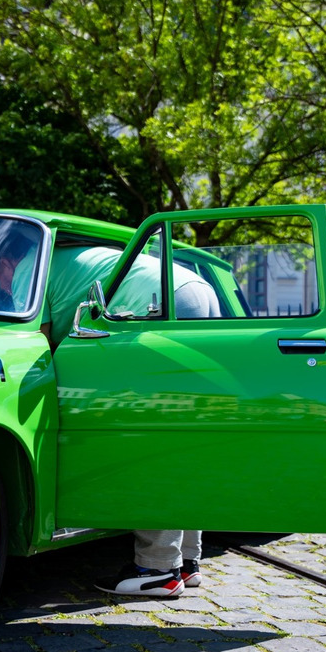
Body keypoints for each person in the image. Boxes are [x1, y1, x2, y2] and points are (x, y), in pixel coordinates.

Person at [91, 238, 219, 596]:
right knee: (183, 440)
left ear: (1, 266)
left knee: (155, 443)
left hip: (167, 299)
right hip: (198, 288)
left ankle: (157, 569)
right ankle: (188, 562)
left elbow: (49, 340)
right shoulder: (94, 255)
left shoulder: (28, 265)